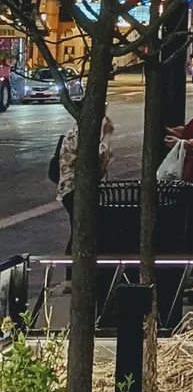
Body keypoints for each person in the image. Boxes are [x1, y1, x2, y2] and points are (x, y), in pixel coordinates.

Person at [57, 114, 114, 281]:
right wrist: (108, 136)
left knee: (79, 229)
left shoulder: (82, 129)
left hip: (74, 188)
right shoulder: (82, 132)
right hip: (75, 189)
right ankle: (71, 276)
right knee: (80, 230)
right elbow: (98, 157)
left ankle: (73, 275)